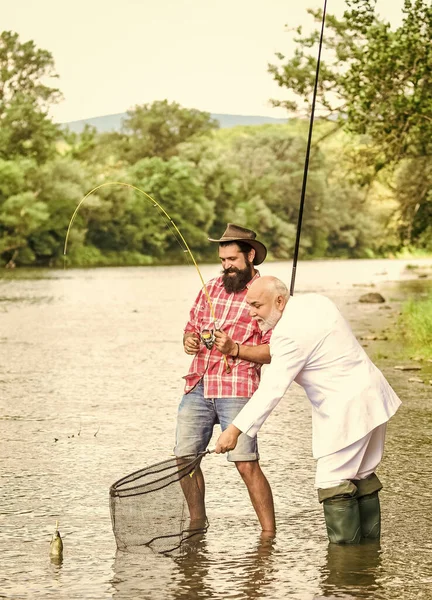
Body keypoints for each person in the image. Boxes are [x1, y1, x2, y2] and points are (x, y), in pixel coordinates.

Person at [215, 276, 402, 544]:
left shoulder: (287, 335)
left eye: (257, 305)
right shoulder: (316, 302)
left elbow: (271, 389)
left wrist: (234, 430)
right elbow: (296, 344)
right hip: (373, 398)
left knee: (332, 481)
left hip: (347, 409)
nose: (251, 312)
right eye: (249, 305)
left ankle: (345, 569)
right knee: (362, 476)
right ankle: (367, 560)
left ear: (279, 301)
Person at [174, 224, 276, 534]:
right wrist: (189, 341)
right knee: (184, 459)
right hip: (199, 383)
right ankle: (197, 524)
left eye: (232, 259)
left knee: (245, 462)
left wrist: (235, 348)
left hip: (238, 386)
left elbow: (275, 351)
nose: (226, 266)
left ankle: (268, 534)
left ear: (250, 256)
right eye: (222, 260)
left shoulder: (267, 292)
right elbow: (191, 328)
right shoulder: (212, 288)